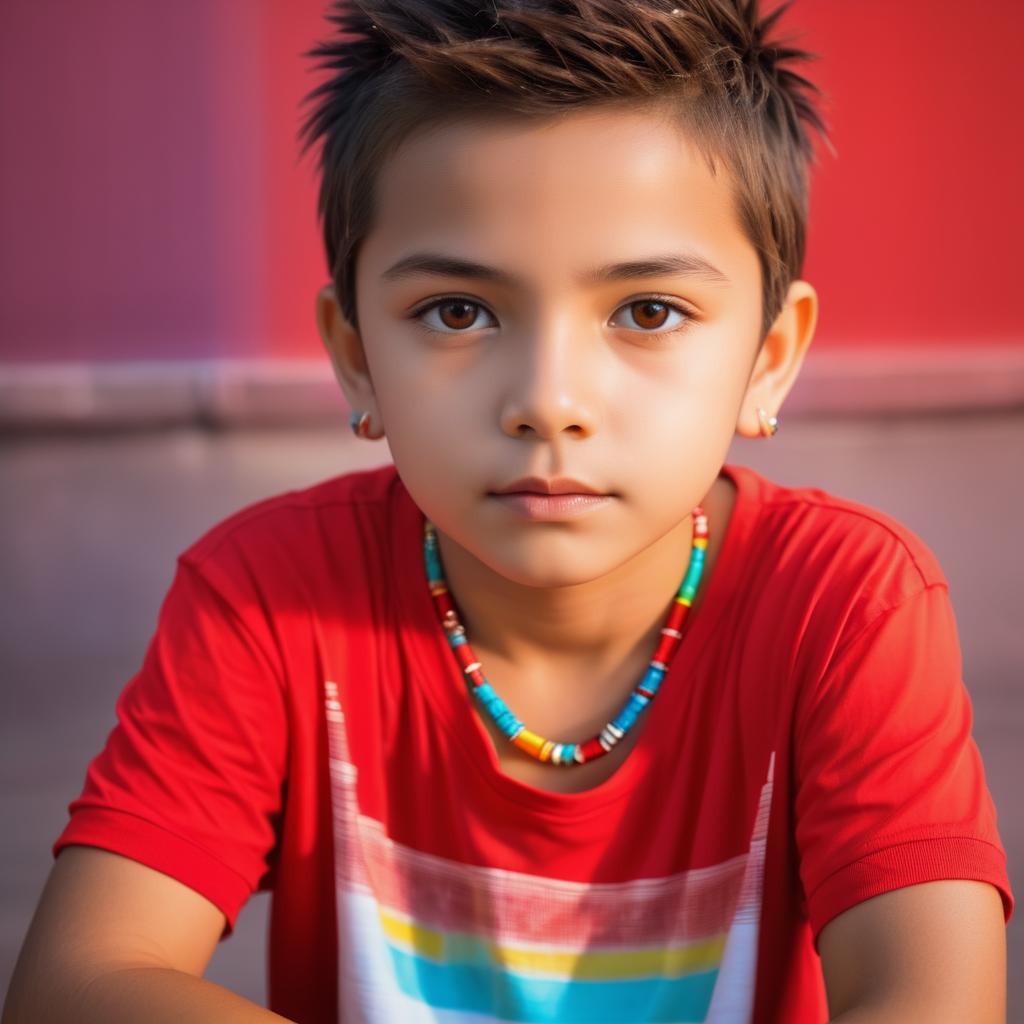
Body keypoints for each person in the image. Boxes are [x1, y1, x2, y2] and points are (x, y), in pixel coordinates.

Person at [3, 1, 1013, 1022]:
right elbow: (78, 982)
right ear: (355, 353)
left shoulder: (843, 602)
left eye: (647, 312)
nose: (548, 399)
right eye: (458, 311)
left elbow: (932, 1001)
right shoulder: (268, 595)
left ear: (769, 357)